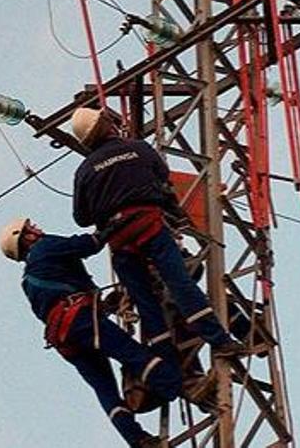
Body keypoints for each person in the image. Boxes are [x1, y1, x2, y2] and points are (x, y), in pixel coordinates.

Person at [69, 107, 246, 369]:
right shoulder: (139, 148)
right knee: (180, 284)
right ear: (106, 126)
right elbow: (163, 180)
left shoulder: (84, 171)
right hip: (149, 227)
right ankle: (221, 341)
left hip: (120, 241)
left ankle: (168, 360)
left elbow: (81, 218)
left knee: (146, 303)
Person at [0, 217, 181, 448]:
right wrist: (109, 228)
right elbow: (86, 245)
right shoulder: (44, 247)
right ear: (24, 238)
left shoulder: (28, 281)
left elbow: (60, 300)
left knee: (105, 389)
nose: (37, 228)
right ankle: (175, 384)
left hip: (65, 338)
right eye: (30, 228)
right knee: (132, 353)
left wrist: (104, 305)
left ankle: (138, 440)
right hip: (79, 320)